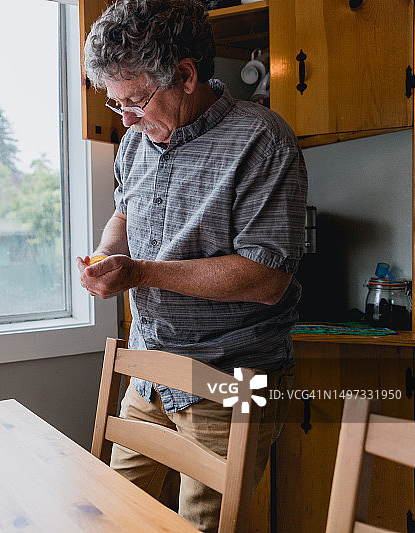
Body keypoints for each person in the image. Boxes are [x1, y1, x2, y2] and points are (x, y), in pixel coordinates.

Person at [78, 0, 307, 531]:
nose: (126, 120)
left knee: (201, 528)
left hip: (233, 378)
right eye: (116, 103)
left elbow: (267, 279)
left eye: (135, 101)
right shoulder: (136, 142)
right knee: (111, 518)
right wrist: (107, 255)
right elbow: (124, 214)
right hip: (149, 370)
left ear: (185, 76)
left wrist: (141, 273)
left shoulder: (263, 140)